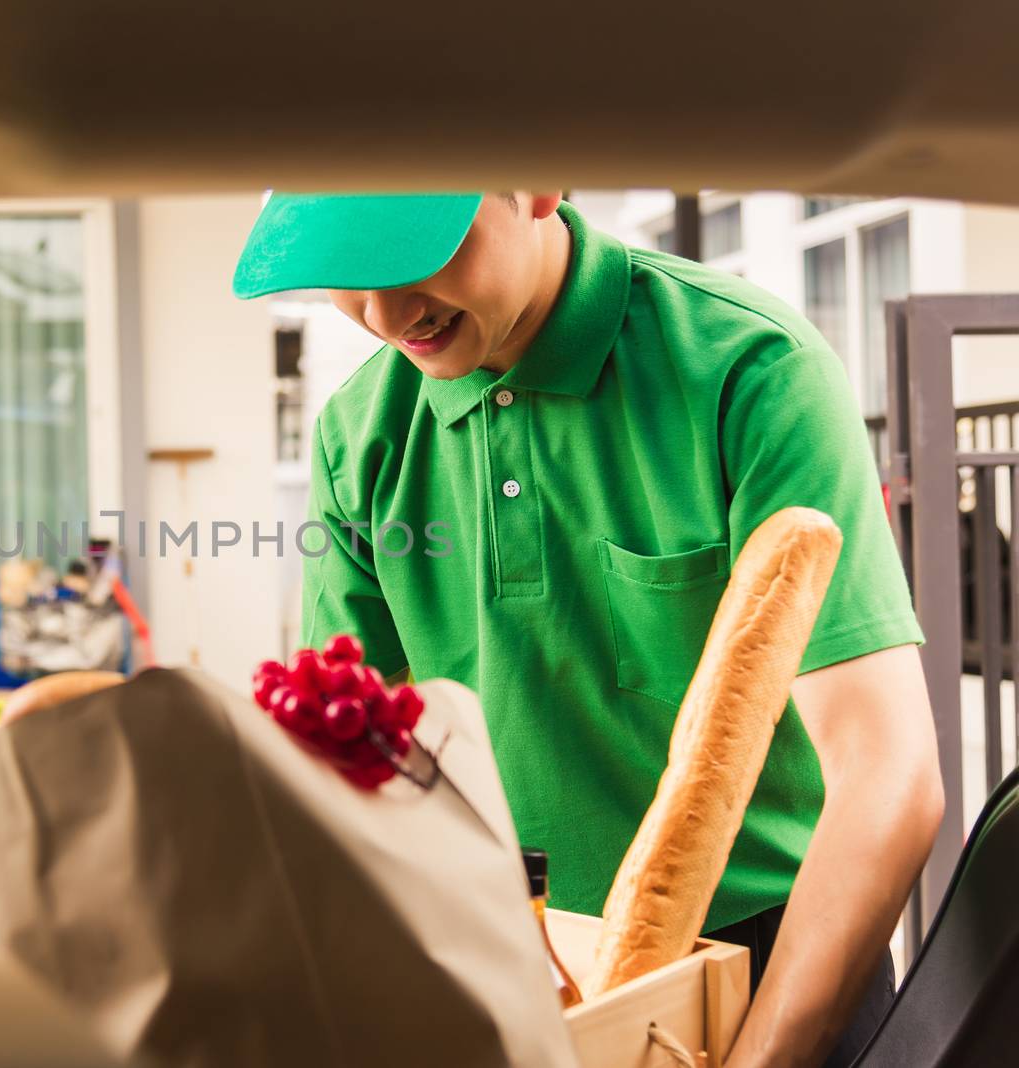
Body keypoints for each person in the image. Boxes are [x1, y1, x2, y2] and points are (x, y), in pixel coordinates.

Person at [232, 192, 943, 1068]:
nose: (384, 315)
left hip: (773, 966)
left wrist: (764, 1057)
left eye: (413, 249)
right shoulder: (359, 435)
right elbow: (346, 785)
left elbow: (890, 777)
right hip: (503, 968)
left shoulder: (750, 368)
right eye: (346, 273)